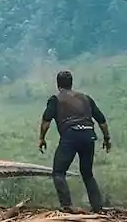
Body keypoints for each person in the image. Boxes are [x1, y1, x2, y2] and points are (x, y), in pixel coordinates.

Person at [38, 70, 111, 213]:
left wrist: (42, 138)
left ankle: (67, 206)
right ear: (71, 83)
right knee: (87, 173)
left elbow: (46, 121)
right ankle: (98, 207)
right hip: (88, 135)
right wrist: (107, 138)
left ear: (58, 84)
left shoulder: (56, 99)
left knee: (58, 172)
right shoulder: (85, 98)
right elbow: (101, 121)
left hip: (71, 135)